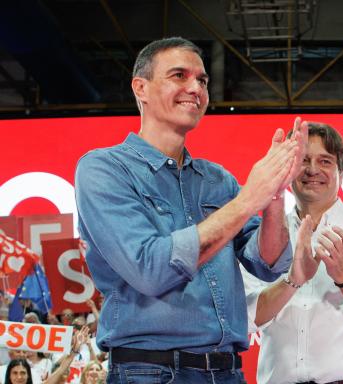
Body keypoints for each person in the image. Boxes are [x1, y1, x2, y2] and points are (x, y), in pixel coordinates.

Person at [75, 37, 303, 383]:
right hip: (150, 372)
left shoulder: (217, 179)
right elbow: (150, 269)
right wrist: (247, 200)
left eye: (202, 80)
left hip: (227, 370)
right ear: (141, 88)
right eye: (179, 75)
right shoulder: (104, 169)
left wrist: (273, 197)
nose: (195, 88)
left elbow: (267, 264)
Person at [245, 123, 343, 384]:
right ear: (289, 168)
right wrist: (292, 281)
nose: (312, 170)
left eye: (325, 161)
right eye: (303, 160)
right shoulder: (262, 237)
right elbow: (244, 321)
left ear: (341, 170)